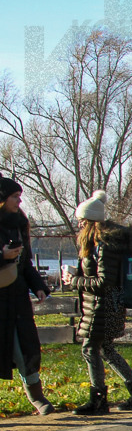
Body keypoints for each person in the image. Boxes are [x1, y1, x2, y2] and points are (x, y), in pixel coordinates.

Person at [62, 190, 132, 414]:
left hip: (103, 306)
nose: (79, 225)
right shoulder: (100, 244)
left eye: (82, 221)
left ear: (90, 222)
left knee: (90, 349)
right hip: (102, 305)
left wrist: (73, 280)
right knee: (105, 349)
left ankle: (99, 400)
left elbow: (104, 281)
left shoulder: (104, 245)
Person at [0, 177, 54, 415]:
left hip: (18, 298)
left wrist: (38, 286)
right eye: (14, 196)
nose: (19, 201)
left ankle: (37, 397)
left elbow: (26, 263)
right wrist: (2, 256)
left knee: (26, 349)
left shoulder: (20, 224)